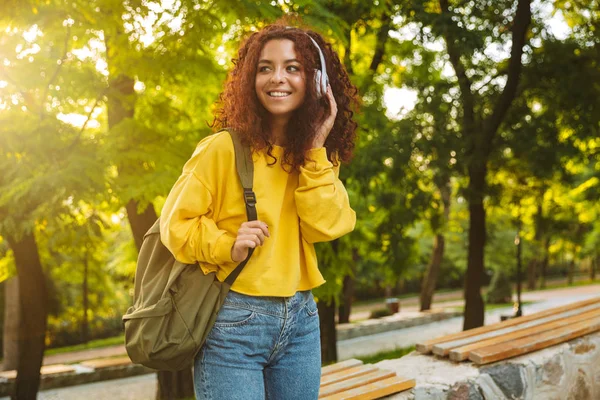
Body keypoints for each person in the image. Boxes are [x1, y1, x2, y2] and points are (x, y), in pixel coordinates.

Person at [159, 21, 359, 400]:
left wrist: (317, 146)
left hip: (301, 320)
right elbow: (175, 224)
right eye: (264, 68)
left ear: (316, 81)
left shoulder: (317, 156)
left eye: (292, 67)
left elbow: (328, 225)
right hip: (233, 321)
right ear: (250, 79)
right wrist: (226, 245)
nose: (276, 78)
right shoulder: (221, 149)